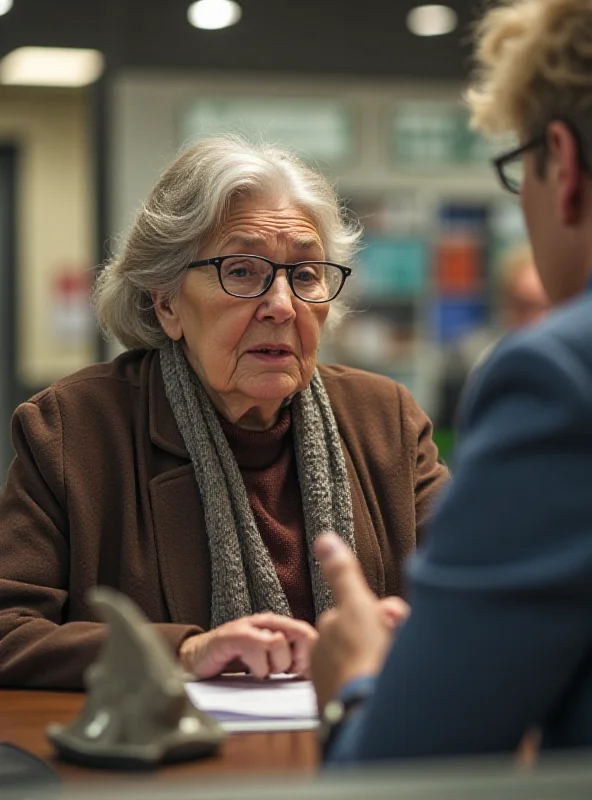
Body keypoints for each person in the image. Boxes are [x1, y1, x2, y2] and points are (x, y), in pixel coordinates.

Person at [0, 136, 447, 689]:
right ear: (166, 303)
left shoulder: (387, 420)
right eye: (242, 270)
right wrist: (185, 653)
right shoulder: (73, 429)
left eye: (305, 275)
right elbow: (8, 630)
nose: (282, 305)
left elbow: (480, 584)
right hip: (172, 769)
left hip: (357, 752)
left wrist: (414, 629)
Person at [312, 0, 592, 762]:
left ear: (561, 166)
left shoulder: (559, 372)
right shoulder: (76, 423)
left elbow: (407, 768)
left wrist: (355, 683)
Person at [436, 245, 549, 428]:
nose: (535, 319)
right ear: (506, 302)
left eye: (544, 307)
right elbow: (447, 436)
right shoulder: (469, 357)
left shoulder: (569, 361)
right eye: (523, 306)